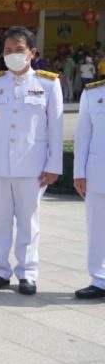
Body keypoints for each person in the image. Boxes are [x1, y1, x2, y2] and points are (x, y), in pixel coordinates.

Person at [0, 26, 63, 296]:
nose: (13, 55)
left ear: (32, 53)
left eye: (19, 50)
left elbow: (55, 128)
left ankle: (27, 273)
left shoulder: (48, 83)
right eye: (8, 51)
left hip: (32, 166)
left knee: (28, 221)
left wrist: (53, 165)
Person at [72, 78, 105, 299]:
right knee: (97, 228)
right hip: (98, 171)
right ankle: (99, 280)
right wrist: (79, 173)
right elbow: (82, 135)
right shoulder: (93, 93)